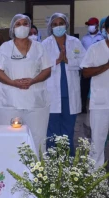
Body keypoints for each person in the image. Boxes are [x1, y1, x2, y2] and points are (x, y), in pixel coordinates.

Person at [0, 14, 52, 152]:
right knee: (9, 140)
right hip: (10, 101)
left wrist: (33, 80)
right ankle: (10, 171)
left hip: (35, 101)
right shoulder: (5, 47)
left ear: (30, 27)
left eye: (25, 23)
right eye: (18, 24)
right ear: (13, 28)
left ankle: (37, 172)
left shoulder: (39, 47)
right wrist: (13, 83)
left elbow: (47, 70)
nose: (22, 27)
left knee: (38, 139)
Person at [42, 13, 86, 155]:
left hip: (69, 94)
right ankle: (52, 162)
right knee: (52, 131)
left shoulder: (75, 42)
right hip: (52, 93)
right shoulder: (45, 44)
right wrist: (56, 60)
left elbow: (84, 63)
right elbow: (40, 66)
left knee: (68, 130)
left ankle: (68, 161)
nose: (58, 26)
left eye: (61, 23)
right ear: (50, 27)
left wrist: (68, 60)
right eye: (55, 24)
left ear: (66, 25)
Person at [80, 16, 109, 168]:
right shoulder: (95, 49)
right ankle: (95, 178)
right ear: (107, 30)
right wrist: (106, 66)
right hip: (101, 103)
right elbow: (85, 72)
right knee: (97, 141)